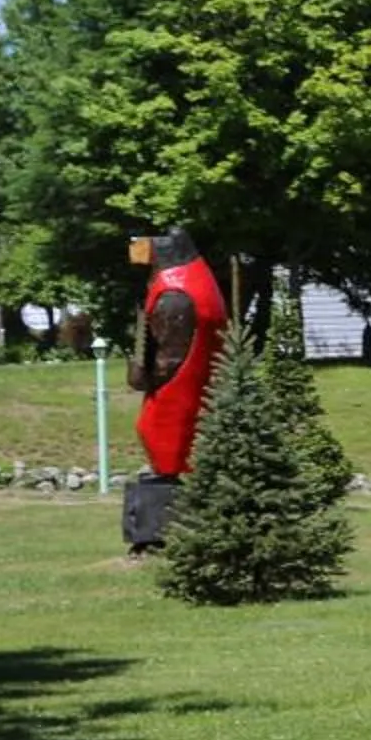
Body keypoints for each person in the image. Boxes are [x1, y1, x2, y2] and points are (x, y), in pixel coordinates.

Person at [121, 229, 228, 556]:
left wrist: (145, 376)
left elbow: (170, 356)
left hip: (177, 388)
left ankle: (162, 526)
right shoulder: (194, 282)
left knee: (158, 433)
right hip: (192, 380)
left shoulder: (176, 292)